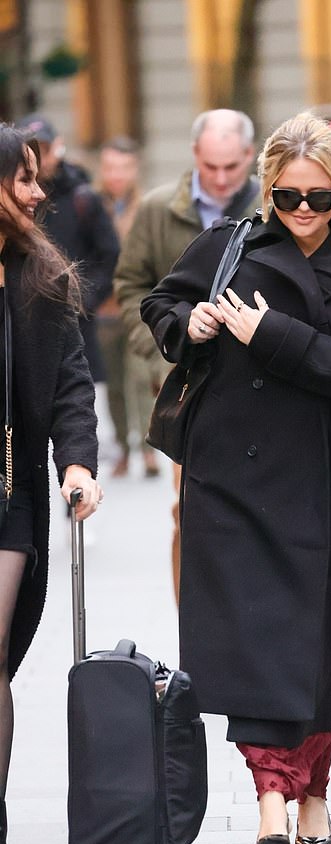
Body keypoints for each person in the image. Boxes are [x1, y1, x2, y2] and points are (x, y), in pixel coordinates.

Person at [141, 112, 331, 844]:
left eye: (319, 199)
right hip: (231, 476)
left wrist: (273, 338)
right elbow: (158, 302)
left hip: (329, 482)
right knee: (255, 639)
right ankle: (269, 795)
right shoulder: (228, 246)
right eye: (287, 196)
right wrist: (188, 322)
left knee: (321, 643)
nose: (301, 211)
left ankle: (312, 792)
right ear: (268, 189)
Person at [0, 124, 102, 844]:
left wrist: (77, 461)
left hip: (8, 492)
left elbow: (71, 381)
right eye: (22, 178)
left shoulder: (37, 274)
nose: (39, 192)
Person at [115, 109, 260, 598]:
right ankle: (194, 632)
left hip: (258, 391)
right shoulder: (158, 209)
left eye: (232, 168)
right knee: (191, 510)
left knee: (257, 512)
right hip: (184, 390)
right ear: (195, 155)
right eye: (211, 166)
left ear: (248, 157)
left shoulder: (274, 203)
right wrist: (163, 352)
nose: (220, 179)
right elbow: (132, 289)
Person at [14, 114, 119, 386]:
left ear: (58, 148)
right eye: (33, 151)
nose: (41, 159)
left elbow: (109, 255)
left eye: (45, 150)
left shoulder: (83, 197)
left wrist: (84, 299)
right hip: (27, 327)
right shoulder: (12, 201)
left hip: (77, 325)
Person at [95, 136, 160, 477]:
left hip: (138, 307)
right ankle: (122, 446)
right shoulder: (92, 206)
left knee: (141, 380)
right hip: (105, 310)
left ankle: (149, 449)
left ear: (134, 170)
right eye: (110, 168)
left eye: (123, 167)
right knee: (115, 385)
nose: (116, 175)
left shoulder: (148, 206)